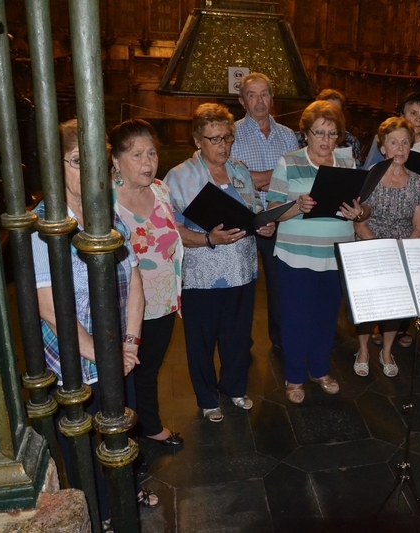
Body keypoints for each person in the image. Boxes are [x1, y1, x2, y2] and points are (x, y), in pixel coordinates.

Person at [32, 119, 155, 529]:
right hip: (77, 363)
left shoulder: (106, 214)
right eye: (75, 161)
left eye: (95, 162)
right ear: (55, 166)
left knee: (122, 432)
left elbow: (133, 280)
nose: (87, 172)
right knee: (85, 446)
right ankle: (100, 513)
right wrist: (105, 357)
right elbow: (51, 310)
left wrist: (130, 343)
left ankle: (127, 493)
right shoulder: (44, 226)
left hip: (117, 352)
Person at [165, 103, 275, 423]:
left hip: (241, 268)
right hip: (203, 273)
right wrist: (208, 238)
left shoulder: (239, 170)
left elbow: (252, 211)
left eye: (227, 137)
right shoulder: (179, 176)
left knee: (237, 335)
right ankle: (207, 399)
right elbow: (171, 230)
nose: (223, 145)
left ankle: (235, 387)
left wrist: (263, 224)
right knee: (202, 338)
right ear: (197, 140)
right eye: (214, 139)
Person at [266, 100, 365, 404]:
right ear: (306, 133)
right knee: (296, 318)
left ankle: (320, 369)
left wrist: (359, 212)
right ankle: (294, 375)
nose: (325, 140)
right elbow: (273, 210)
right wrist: (297, 206)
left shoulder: (347, 165)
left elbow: (361, 209)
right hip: (296, 256)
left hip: (335, 255)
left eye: (332, 134)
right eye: (319, 132)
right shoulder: (289, 162)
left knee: (326, 317)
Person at [110, 119, 184, 448]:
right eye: (137, 155)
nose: (147, 162)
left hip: (163, 298)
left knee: (150, 368)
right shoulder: (104, 201)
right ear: (116, 161)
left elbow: (173, 236)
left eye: (151, 153)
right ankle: (121, 437)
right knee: (121, 371)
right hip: (124, 304)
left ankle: (149, 425)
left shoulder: (160, 189)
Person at [364, 92, 420, 348]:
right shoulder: (386, 138)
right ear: (402, 114)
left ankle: (401, 327)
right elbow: (368, 173)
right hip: (382, 218)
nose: (418, 118)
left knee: (410, 277)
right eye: (413, 113)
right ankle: (378, 325)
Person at [353, 117, 420, 377]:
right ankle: (363, 350)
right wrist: (380, 252)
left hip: (402, 251)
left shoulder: (419, 181)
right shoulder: (369, 177)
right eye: (393, 142)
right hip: (369, 246)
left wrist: (400, 255)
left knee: (396, 306)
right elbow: (358, 223)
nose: (400, 148)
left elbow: (419, 227)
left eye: (405, 143)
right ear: (382, 147)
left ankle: (386, 351)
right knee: (367, 305)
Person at [230, 72, 299, 351]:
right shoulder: (232, 134)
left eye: (264, 94)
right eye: (252, 95)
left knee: (280, 285)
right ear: (242, 101)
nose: (259, 101)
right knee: (242, 286)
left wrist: (256, 178)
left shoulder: (287, 135)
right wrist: (277, 177)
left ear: (272, 98)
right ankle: (240, 346)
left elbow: (295, 180)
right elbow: (235, 181)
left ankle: (281, 342)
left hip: (279, 217)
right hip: (243, 218)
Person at [297, 89, 363, 167]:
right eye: (327, 111)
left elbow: (358, 170)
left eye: (337, 111)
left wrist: (347, 164)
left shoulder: (351, 141)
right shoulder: (299, 138)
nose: (333, 115)